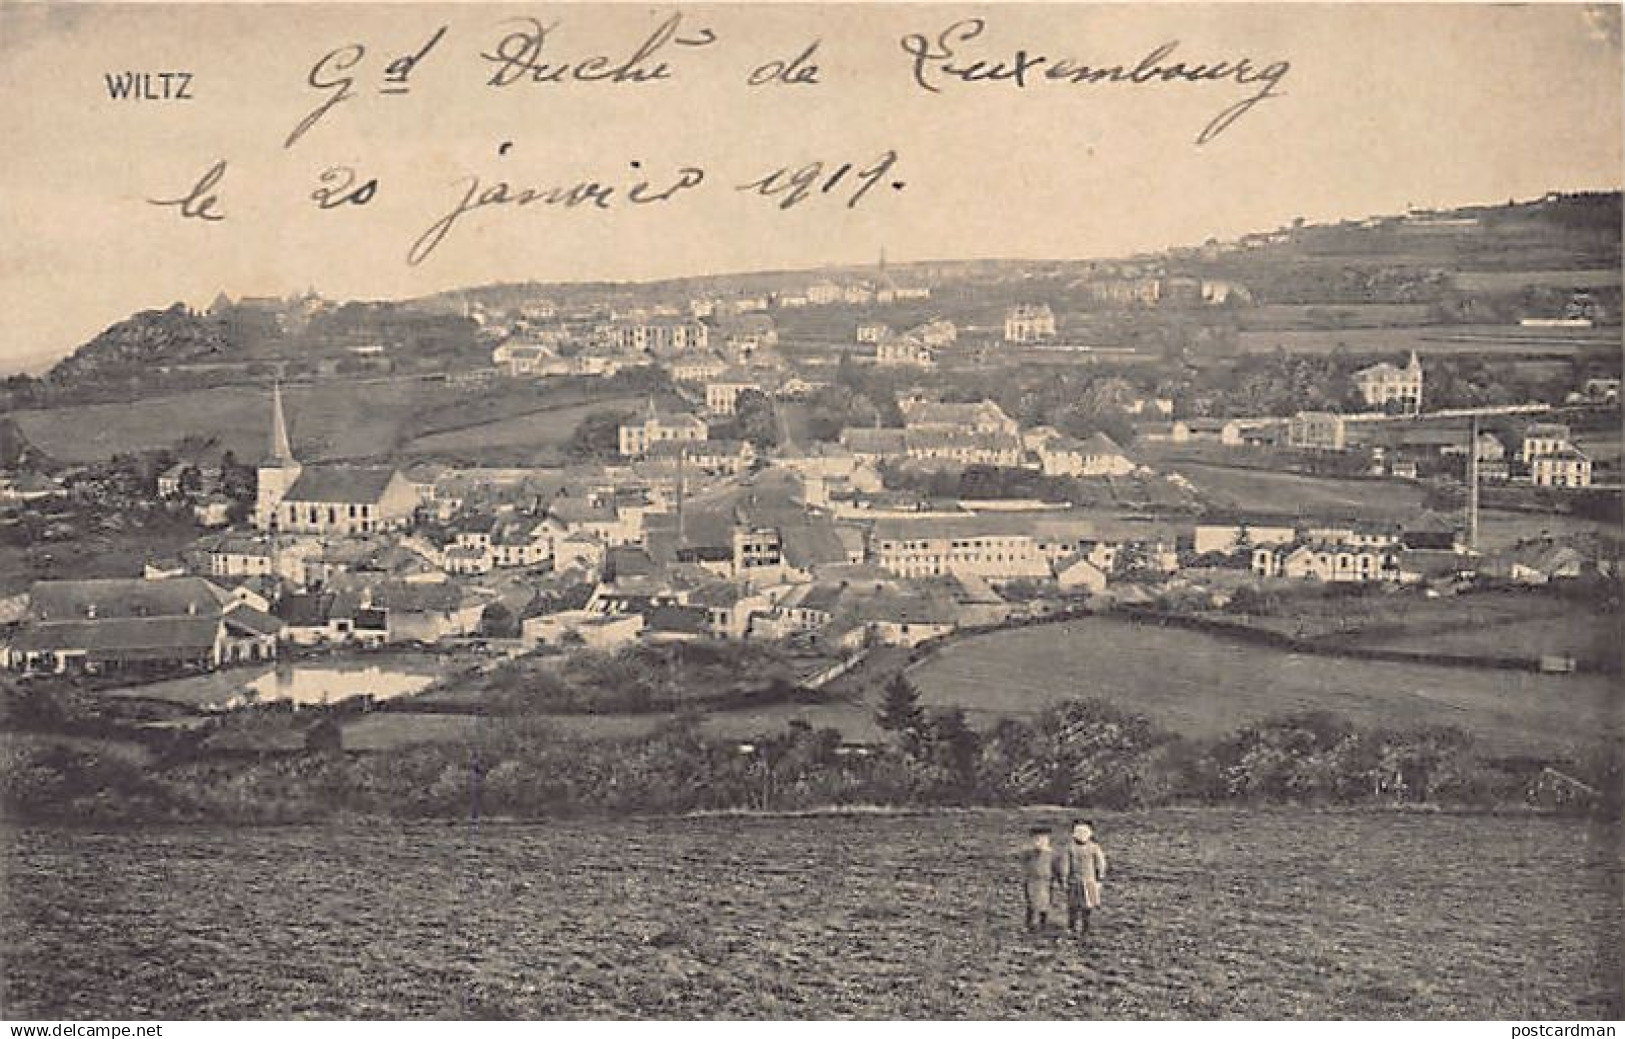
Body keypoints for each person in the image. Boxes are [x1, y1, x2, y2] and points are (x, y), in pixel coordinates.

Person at [1058, 819, 1108, 939]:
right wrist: (1064, 879)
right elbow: (1064, 865)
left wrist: (1100, 877)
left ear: (1090, 834)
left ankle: (1086, 927)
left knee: (1088, 906)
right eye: (1078, 832)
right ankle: (1072, 927)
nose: (1081, 836)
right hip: (1074, 881)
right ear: (1074, 834)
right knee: (1073, 906)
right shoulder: (1069, 848)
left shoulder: (1094, 848)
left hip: (1090, 881)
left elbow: (1101, 863)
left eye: (1084, 832)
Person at [1017, 827, 1060, 932]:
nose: (1040, 842)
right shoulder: (1028, 853)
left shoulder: (1052, 854)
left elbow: (1056, 868)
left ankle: (1043, 923)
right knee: (1031, 903)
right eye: (1037, 840)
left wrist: (1058, 880)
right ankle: (1028, 924)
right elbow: (1024, 864)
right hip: (1032, 881)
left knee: (1045, 903)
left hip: (1046, 882)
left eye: (1043, 840)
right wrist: (1025, 877)